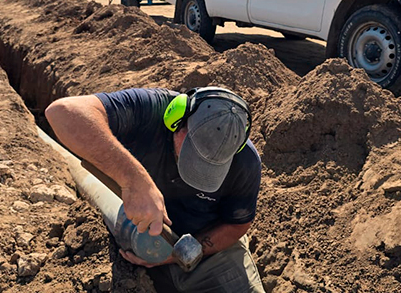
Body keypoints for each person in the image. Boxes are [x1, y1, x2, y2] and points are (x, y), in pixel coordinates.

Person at [45, 87, 265, 292]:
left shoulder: (245, 163)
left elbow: (237, 225)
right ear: (176, 122)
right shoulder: (151, 110)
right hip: (137, 227)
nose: (195, 174)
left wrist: (191, 250)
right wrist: (135, 181)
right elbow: (62, 112)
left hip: (203, 244)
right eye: (192, 157)